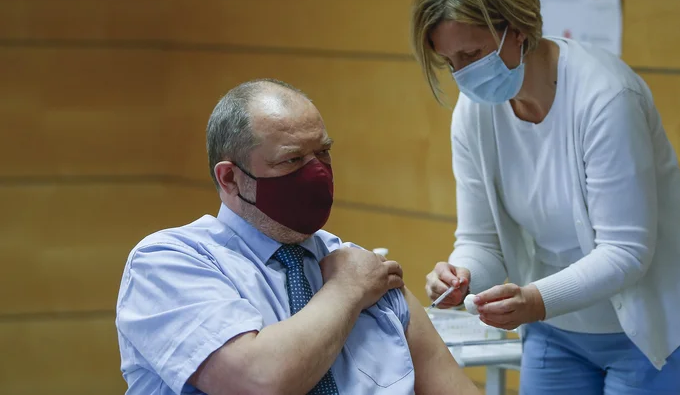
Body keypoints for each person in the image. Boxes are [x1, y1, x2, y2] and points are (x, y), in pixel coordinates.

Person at [411, 0, 680, 394]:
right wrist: (460, 277)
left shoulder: (606, 98)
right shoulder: (474, 114)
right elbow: (481, 241)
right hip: (558, 328)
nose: (464, 76)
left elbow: (626, 251)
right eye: (451, 63)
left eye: (473, 53)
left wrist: (535, 300)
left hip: (656, 324)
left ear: (517, 28)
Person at [115, 79, 481, 395]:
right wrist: (346, 290)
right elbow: (258, 381)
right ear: (230, 178)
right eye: (291, 160)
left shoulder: (363, 270)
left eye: (323, 152)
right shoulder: (169, 262)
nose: (317, 173)